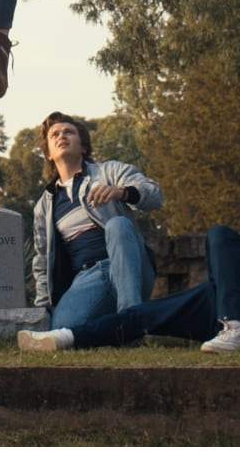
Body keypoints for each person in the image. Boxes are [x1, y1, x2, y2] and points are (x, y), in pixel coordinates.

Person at [18, 157, 240, 353]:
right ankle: (64, 338)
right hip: (223, 302)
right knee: (144, 315)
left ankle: (238, 330)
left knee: (220, 234)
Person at [30, 112, 162, 330]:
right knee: (63, 327)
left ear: (83, 147)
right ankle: (113, 324)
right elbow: (42, 262)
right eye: (55, 134)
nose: (61, 136)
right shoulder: (44, 206)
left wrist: (120, 192)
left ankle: (132, 320)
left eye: (69, 132)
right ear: (49, 155)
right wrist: (42, 312)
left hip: (129, 265)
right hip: (88, 277)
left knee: (117, 225)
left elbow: (154, 196)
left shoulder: (110, 171)